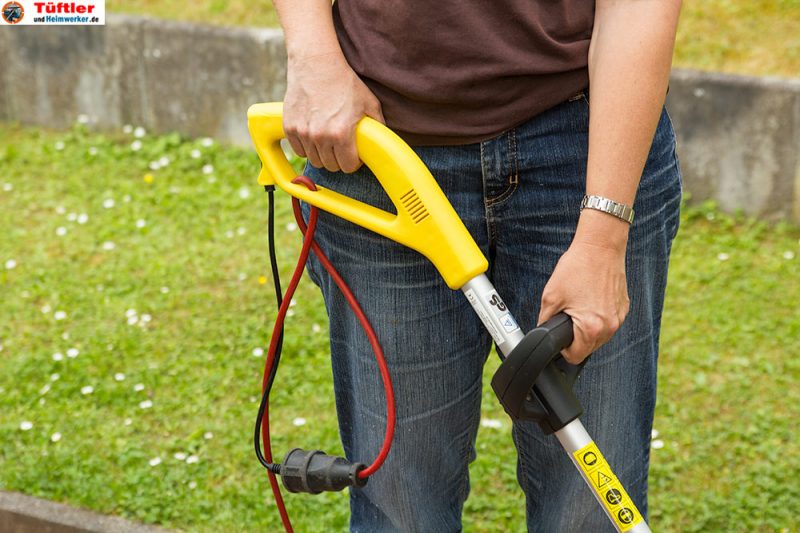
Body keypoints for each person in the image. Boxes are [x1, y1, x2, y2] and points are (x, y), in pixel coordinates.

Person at [273, 0, 683, 530]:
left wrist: (602, 238)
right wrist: (314, 60)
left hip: (586, 146)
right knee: (400, 506)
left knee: (589, 515)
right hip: (377, 149)